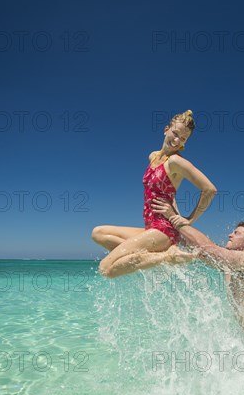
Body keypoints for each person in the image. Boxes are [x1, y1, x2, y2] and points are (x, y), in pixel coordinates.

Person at [151, 198, 244, 370]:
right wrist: (173, 215)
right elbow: (200, 250)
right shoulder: (230, 267)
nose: (230, 235)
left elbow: (209, 249)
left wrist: (174, 218)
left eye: (236, 233)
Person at [91, 110, 217, 278]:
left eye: (183, 138)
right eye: (175, 133)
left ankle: (167, 256)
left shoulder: (176, 162)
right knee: (98, 233)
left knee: (106, 269)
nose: (177, 140)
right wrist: (174, 207)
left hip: (164, 231)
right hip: (150, 226)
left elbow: (209, 189)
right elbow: (169, 194)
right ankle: (156, 256)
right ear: (166, 129)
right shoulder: (153, 156)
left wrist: (188, 220)